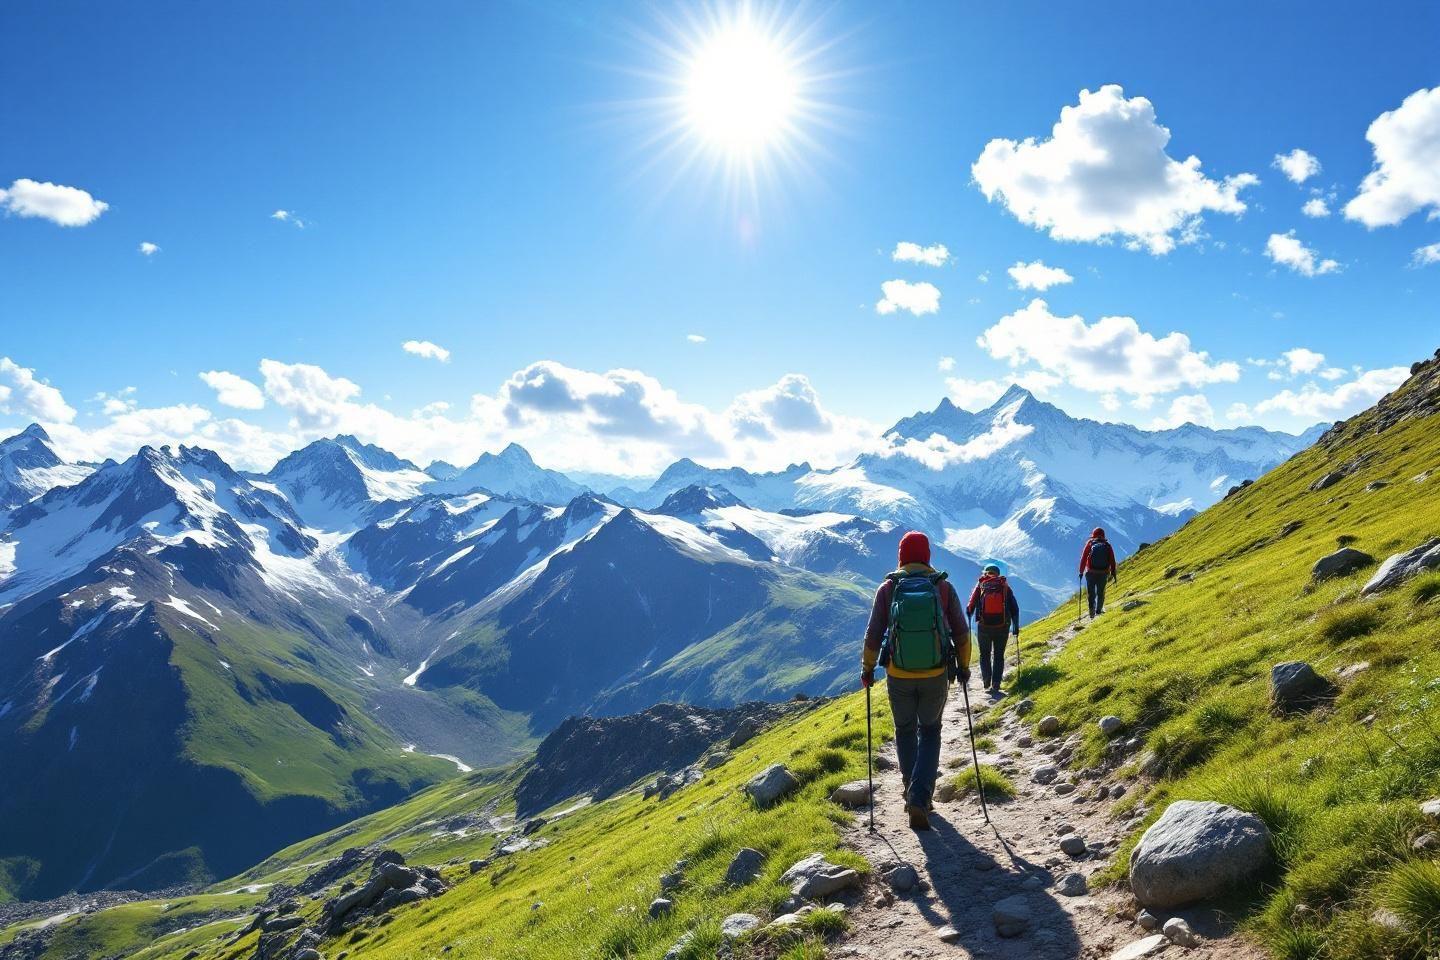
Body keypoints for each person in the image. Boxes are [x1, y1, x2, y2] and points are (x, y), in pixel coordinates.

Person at [861, 531, 971, 831]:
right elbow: (961, 633)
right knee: (931, 731)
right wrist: (963, 666)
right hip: (936, 673)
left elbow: (873, 635)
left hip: (898, 674)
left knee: (905, 730)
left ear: (901, 556)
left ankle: (911, 792)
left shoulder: (888, 588)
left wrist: (868, 668)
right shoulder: (943, 587)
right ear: (927, 556)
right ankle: (920, 797)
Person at [966, 563, 1020, 696]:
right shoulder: (1004, 586)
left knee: (984, 654)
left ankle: (986, 681)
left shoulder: (981, 585)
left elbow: (970, 607)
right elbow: (1015, 609)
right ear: (997, 573)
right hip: (1002, 626)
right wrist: (1015, 627)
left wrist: (970, 617)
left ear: (986, 572)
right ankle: (996, 684)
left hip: (984, 627)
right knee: (998, 655)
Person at [1079, 527, 1119, 617]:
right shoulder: (1107, 545)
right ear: (1103, 535)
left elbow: (1084, 558)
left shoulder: (1090, 544)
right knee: (1101, 592)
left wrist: (1081, 572)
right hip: (1103, 573)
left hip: (1090, 572)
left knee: (1091, 593)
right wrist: (1113, 572)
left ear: (1093, 535)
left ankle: (1091, 611)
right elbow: (1112, 560)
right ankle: (1099, 610)